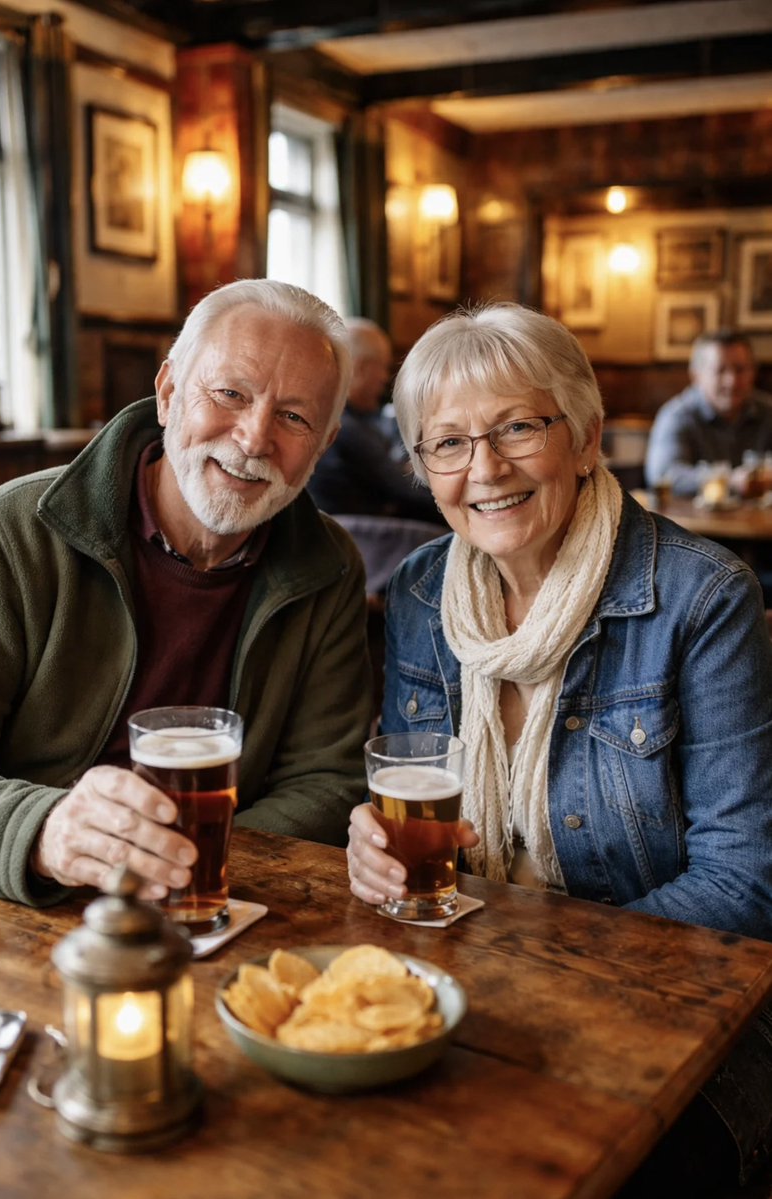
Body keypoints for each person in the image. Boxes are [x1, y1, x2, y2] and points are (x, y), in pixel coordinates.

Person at [346, 301, 772, 1196]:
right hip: (463, 988)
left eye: (516, 428)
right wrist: (377, 852)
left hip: (672, 1016)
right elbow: (413, 799)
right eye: (448, 444)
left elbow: (744, 880)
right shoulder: (423, 591)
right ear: (423, 469)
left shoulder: (702, 597)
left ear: (582, 439)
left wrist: (532, 965)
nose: (485, 469)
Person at [0, 279, 373, 915]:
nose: (254, 439)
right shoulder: (14, 528)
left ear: (324, 446)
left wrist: (189, 866)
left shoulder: (329, 565)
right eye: (229, 394)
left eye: (294, 417)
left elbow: (327, 781)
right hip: (7, 906)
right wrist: (44, 832)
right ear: (168, 393)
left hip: (215, 906)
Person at [308, 317, 442, 523]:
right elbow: (402, 489)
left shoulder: (330, 416)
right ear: (361, 368)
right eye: (384, 367)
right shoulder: (346, 427)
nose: (385, 379)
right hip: (367, 538)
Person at [644, 329, 772, 497]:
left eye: (740, 370)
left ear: (753, 372)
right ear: (696, 375)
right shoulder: (676, 416)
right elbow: (663, 475)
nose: (731, 381)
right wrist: (731, 481)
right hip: (692, 523)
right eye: (720, 370)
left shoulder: (768, 411)